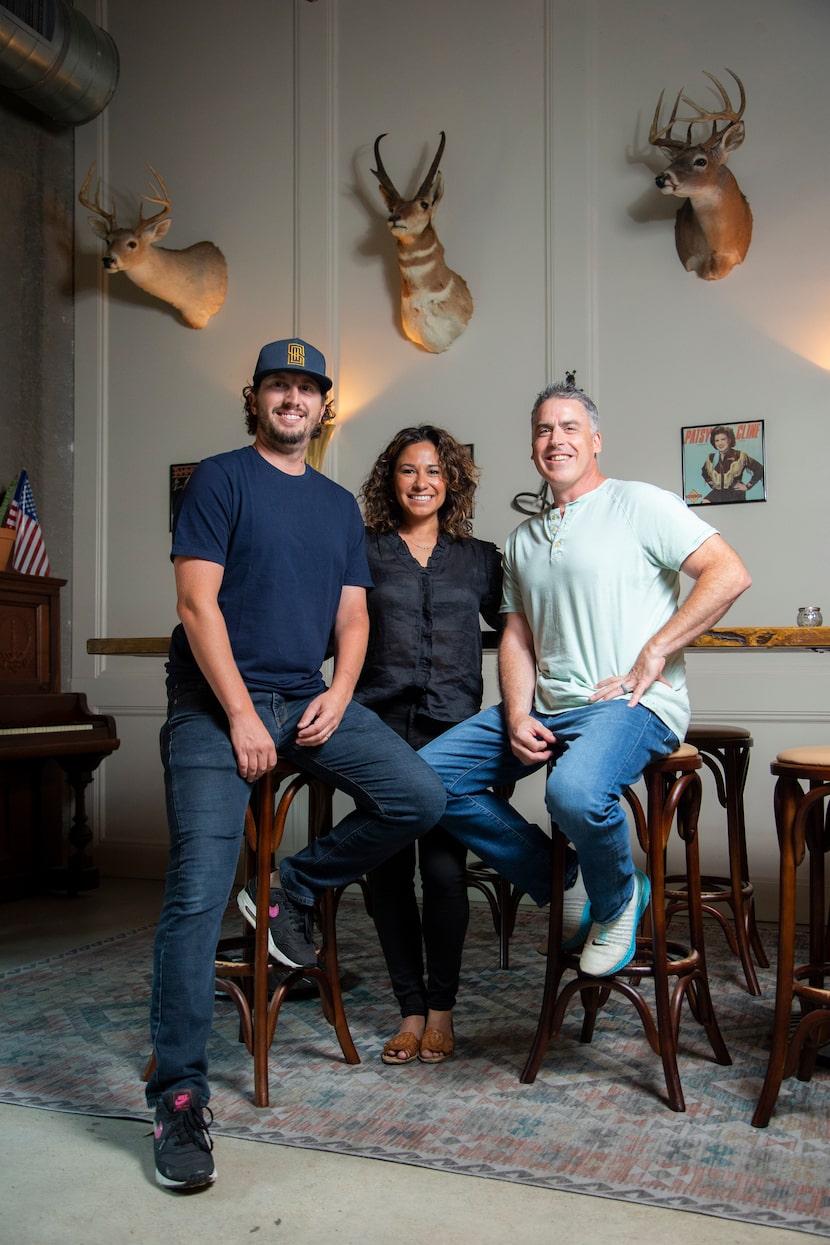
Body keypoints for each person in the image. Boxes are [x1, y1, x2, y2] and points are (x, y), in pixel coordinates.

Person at [148, 338, 447, 1191]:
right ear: (257, 399)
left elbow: (353, 617)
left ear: (324, 408)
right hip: (215, 706)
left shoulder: (336, 507)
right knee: (197, 890)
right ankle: (177, 1094)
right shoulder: (218, 478)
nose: (292, 399)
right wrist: (241, 714)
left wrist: (338, 691)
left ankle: (289, 887)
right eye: (278, 385)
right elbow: (193, 602)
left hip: (305, 699)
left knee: (420, 795)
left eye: (306, 388)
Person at [420, 382, 751, 982]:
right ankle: (567, 876)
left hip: (630, 704)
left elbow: (727, 574)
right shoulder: (522, 541)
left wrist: (655, 652)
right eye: (544, 430)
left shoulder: (640, 503)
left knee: (571, 793)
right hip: (547, 706)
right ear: (532, 448)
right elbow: (517, 637)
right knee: (424, 782)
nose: (556, 439)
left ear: (595, 440)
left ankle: (619, 899)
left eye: (570, 427)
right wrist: (518, 714)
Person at [354, 425, 503, 1065]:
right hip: (377, 732)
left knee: (443, 875)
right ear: (392, 480)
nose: (422, 483)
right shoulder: (359, 551)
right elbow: (330, 629)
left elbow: (522, 631)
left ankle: (441, 1011)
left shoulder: (480, 559)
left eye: (435, 472)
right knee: (386, 874)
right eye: (410, 471)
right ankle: (409, 1010)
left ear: (453, 483)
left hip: (453, 735)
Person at [700, 425, 763, 503]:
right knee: (705, 502)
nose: (720, 443)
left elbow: (759, 468)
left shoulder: (740, 455)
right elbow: (704, 472)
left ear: (729, 440)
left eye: (723, 439)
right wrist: (711, 483)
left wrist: (747, 486)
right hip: (719, 492)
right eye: (717, 440)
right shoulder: (711, 457)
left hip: (735, 493)